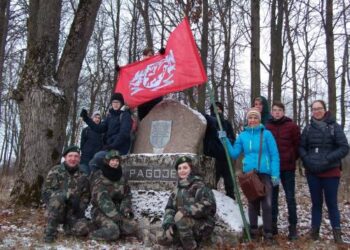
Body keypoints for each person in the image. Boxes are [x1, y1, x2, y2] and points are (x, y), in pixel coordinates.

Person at [220, 108, 280, 242]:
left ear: (259, 120)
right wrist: (225, 141)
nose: (252, 120)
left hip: (265, 174)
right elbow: (234, 153)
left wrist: (275, 174)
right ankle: (253, 233)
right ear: (247, 120)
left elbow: (275, 155)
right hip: (249, 175)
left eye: (255, 118)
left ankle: (268, 233)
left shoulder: (267, 134)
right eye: (250, 118)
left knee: (267, 204)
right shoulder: (243, 136)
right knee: (253, 204)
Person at [299, 100, 349, 243]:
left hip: (331, 172)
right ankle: (314, 233)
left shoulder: (335, 127)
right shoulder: (307, 128)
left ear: (325, 110)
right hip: (312, 172)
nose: (317, 111)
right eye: (314, 109)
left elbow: (344, 147)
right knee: (316, 203)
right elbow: (301, 147)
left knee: (332, 203)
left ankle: (337, 234)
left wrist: (328, 159)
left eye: (319, 108)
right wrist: (307, 160)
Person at [158, 156, 216, 249]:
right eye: (179, 168)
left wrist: (186, 211)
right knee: (166, 235)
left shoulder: (200, 185)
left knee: (182, 221)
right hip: (184, 223)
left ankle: (191, 247)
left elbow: (209, 205)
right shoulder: (177, 188)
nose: (182, 171)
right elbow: (170, 207)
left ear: (191, 169)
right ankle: (179, 242)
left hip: (203, 224)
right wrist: (168, 223)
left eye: (185, 168)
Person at [41, 145, 90, 243]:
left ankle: (68, 227)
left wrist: (81, 207)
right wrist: (65, 195)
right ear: (65, 157)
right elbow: (46, 192)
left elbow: (86, 195)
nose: (73, 159)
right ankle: (50, 233)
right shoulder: (56, 170)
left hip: (73, 211)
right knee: (58, 198)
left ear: (79, 159)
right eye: (70, 156)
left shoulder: (83, 174)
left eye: (76, 156)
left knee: (84, 229)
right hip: (56, 210)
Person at [266, 101, 300, 240]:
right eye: (275, 110)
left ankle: (293, 227)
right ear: (272, 112)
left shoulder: (291, 126)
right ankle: (273, 225)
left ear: (283, 112)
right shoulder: (267, 127)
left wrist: (292, 158)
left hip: (287, 168)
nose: (277, 112)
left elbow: (298, 145)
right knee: (272, 198)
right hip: (273, 169)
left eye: (280, 110)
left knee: (290, 197)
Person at [89, 150, 137, 241]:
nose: (115, 163)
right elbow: (102, 199)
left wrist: (125, 209)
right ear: (107, 161)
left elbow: (127, 195)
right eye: (113, 160)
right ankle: (92, 233)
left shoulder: (121, 178)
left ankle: (114, 227)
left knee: (132, 226)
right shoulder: (99, 176)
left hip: (117, 211)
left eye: (117, 161)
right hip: (100, 211)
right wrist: (115, 216)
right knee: (113, 231)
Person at [80, 92, 132, 172]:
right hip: (110, 148)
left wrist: (111, 146)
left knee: (96, 159)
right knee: (95, 164)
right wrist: (86, 118)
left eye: (117, 102)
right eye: (113, 102)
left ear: (121, 103)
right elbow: (99, 128)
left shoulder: (125, 115)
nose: (115, 104)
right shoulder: (110, 116)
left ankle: (99, 181)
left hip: (120, 149)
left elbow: (124, 134)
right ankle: (99, 182)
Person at [203, 101, 236, 199]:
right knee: (212, 181)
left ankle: (232, 201)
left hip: (225, 156)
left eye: (219, 109)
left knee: (229, 182)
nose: (217, 111)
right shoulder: (209, 122)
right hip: (213, 157)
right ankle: (211, 200)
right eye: (215, 109)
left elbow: (233, 139)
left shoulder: (226, 123)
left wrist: (227, 139)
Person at [137, 47, 164, 121]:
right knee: (143, 121)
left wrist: (163, 54)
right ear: (144, 56)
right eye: (148, 55)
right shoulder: (138, 66)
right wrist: (121, 70)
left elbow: (165, 64)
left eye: (152, 55)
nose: (150, 57)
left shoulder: (157, 64)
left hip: (155, 97)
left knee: (156, 120)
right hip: (143, 99)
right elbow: (130, 76)